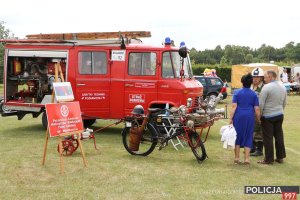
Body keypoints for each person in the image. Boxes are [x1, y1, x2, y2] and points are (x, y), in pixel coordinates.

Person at [229, 73, 261, 165]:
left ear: (242, 82)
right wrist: (258, 119)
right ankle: (247, 159)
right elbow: (257, 108)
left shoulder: (237, 93)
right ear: (251, 82)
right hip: (249, 117)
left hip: (238, 116)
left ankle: (237, 158)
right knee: (248, 136)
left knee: (237, 136)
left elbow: (234, 107)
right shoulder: (254, 94)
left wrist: (231, 119)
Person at [258, 70, 287, 164]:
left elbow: (261, 104)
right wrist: (280, 110)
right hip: (279, 114)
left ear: (271, 77)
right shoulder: (283, 86)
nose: (264, 79)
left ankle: (269, 159)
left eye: (265, 77)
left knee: (268, 138)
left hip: (268, 116)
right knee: (279, 136)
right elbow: (284, 102)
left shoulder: (266, 87)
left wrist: (260, 115)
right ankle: (280, 157)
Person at [250, 68, 264, 157]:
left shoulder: (264, 87)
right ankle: (253, 147)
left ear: (261, 78)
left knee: (259, 131)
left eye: (257, 77)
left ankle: (259, 150)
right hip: (251, 112)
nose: (255, 79)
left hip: (260, 111)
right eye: (254, 77)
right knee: (252, 130)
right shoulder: (251, 86)